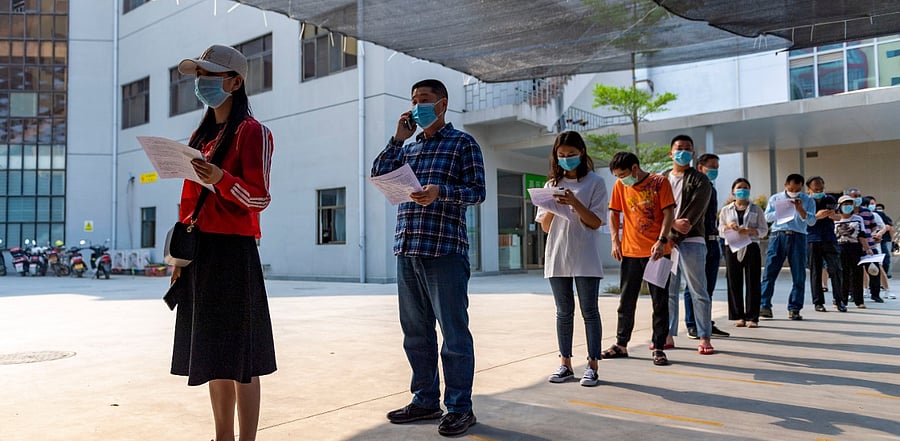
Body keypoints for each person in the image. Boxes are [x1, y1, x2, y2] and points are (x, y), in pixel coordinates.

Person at [169, 44, 277, 441]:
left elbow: (260, 198)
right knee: (214, 355)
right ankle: (222, 437)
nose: (202, 84)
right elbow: (187, 202)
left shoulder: (254, 133)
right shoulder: (200, 136)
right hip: (202, 253)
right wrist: (180, 262)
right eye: (199, 76)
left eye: (210, 76)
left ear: (235, 81)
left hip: (234, 253)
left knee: (242, 358)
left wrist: (221, 180)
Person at [372, 79, 485, 437]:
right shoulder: (409, 148)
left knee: (453, 335)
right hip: (408, 249)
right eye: (414, 101)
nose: (418, 106)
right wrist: (397, 139)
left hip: (445, 251)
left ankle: (459, 408)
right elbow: (378, 173)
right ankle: (424, 400)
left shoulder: (462, 143)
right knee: (416, 334)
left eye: (425, 100)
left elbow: (477, 192)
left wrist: (441, 192)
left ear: (443, 104)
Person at [537, 131, 607, 387]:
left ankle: (592, 364)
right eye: (562, 155)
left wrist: (574, 202)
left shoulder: (595, 183)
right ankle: (565, 362)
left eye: (571, 155)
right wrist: (553, 206)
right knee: (563, 312)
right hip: (557, 255)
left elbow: (595, 222)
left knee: (589, 311)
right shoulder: (550, 185)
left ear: (582, 153)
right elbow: (545, 227)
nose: (566, 159)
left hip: (585, 255)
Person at [603, 151, 675, 366]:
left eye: (623, 174)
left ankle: (659, 347)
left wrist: (662, 241)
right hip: (631, 252)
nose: (621, 179)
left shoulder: (659, 182)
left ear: (635, 168)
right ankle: (621, 344)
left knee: (659, 302)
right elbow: (613, 213)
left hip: (658, 253)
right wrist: (615, 241)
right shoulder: (620, 186)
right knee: (626, 301)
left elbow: (669, 213)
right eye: (616, 175)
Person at [662, 135, 715, 355]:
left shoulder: (700, 180)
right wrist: (668, 233)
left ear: (692, 154)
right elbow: (658, 209)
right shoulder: (661, 178)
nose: (683, 152)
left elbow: (693, 213)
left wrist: (673, 235)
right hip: (666, 240)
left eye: (687, 149)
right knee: (668, 291)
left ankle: (704, 336)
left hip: (691, 240)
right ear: (671, 152)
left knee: (698, 290)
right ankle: (667, 334)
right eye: (679, 148)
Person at [682, 153, 730, 339]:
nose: (715, 170)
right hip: (696, 240)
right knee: (693, 286)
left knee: (707, 286)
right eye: (712, 167)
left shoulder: (711, 189)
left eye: (717, 167)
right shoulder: (694, 187)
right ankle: (692, 323)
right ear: (700, 167)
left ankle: (706, 322)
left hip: (713, 240)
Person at [759, 174, 816, 320]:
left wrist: (800, 208)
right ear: (786, 185)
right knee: (770, 271)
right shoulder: (776, 198)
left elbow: (811, 221)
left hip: (798, 236)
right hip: (779, 235)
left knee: (799, 274)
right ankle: (764, 305)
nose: (794, 192)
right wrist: (783, 209)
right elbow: (766, 218)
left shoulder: (808, 200)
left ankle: (795, 308)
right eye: (791, 188)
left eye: (797, 189)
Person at [719, 178, 768, 327]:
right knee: (734, 281)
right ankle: (738, 316)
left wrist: (750, 231)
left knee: (753, 281)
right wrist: (728, 227)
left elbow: (764, 230)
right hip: (732, 245)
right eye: (739, 187)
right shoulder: (726, 210)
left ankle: (753, 317)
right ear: (733, 191)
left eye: (746, 187)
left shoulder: (756, 209)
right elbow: (720, 230)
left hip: (751, 245)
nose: (742, 190)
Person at [805, 176, 843, 312]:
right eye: (816, 189)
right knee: (815, 271)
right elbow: (801, 219)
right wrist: (816, 216)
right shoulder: (805, 201)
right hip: (812, 238)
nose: (819, 191)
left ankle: (839, 300)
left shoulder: (830, 199)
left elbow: (840, 216)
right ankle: (818, 302)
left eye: (821, 188)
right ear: (809, 189)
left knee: (836, 269)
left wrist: (834, 216)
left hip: (829, 238)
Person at [834, 195, 874, 309]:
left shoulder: (858, 218)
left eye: (850, 204)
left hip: (855, 248)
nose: (848, 207)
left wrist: (867, 248)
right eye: (845, 204)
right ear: (840, 206)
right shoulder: (835, 219)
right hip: (840, 248)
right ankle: (842, 300)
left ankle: (859, 300)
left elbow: (862, 234)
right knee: (843, 274)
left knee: (857, 274)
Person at [874, 202, 895, 298]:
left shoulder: (879, 215)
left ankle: (885, 288)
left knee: (882, 263)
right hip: (864, 243)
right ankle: (866, 289)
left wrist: (892, 241)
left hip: (881, 242)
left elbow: (888, 227)